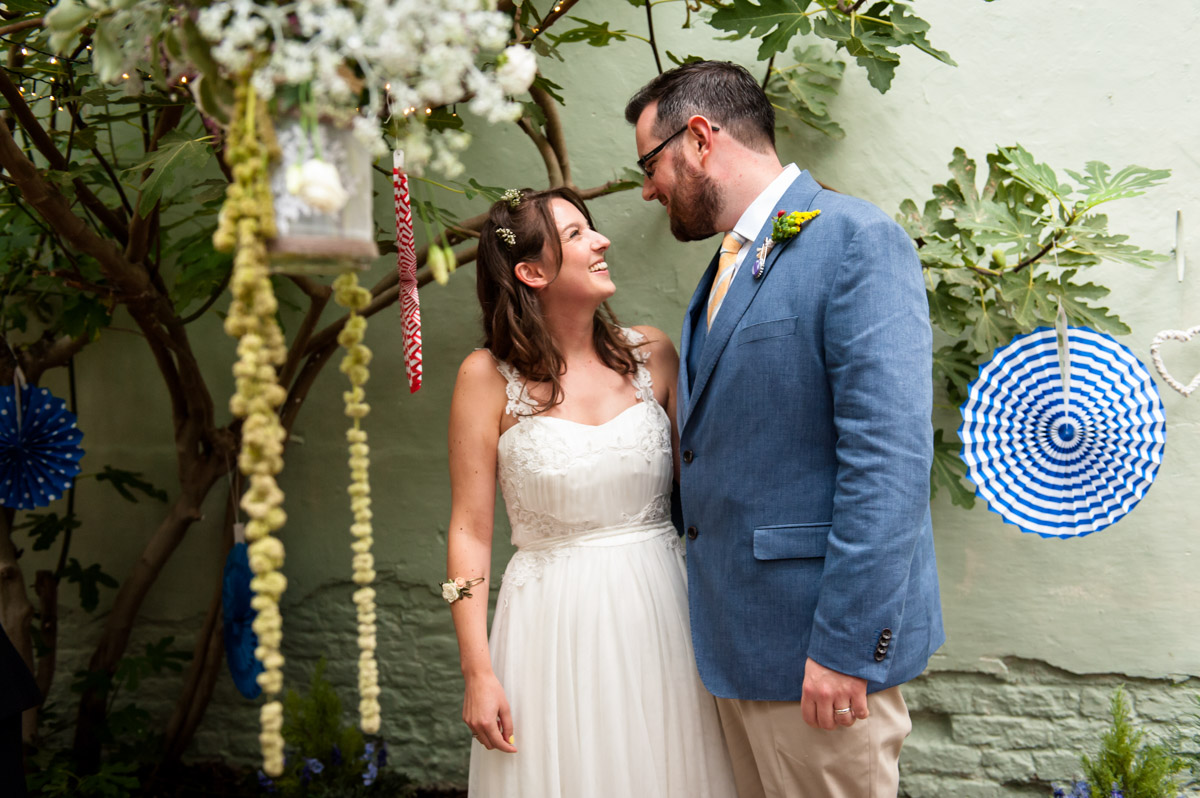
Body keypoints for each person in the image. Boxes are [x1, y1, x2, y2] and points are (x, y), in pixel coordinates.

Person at [625, 61, 944, 798]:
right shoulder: (731, 262)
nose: (648, 188)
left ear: (700, 138)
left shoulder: (858, 241)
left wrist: (845, 649)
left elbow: (889, 463)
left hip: (817, 658)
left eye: (651, 163)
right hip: (738, 648)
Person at [444, 186, 736, 797]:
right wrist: (477, 670)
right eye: (576, 235)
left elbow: (712, 485)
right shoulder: (485, 378)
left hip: (663, 612)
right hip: (550, 627)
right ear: (531, 271)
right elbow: (469, 531)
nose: (601, 241)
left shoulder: (653, 354)